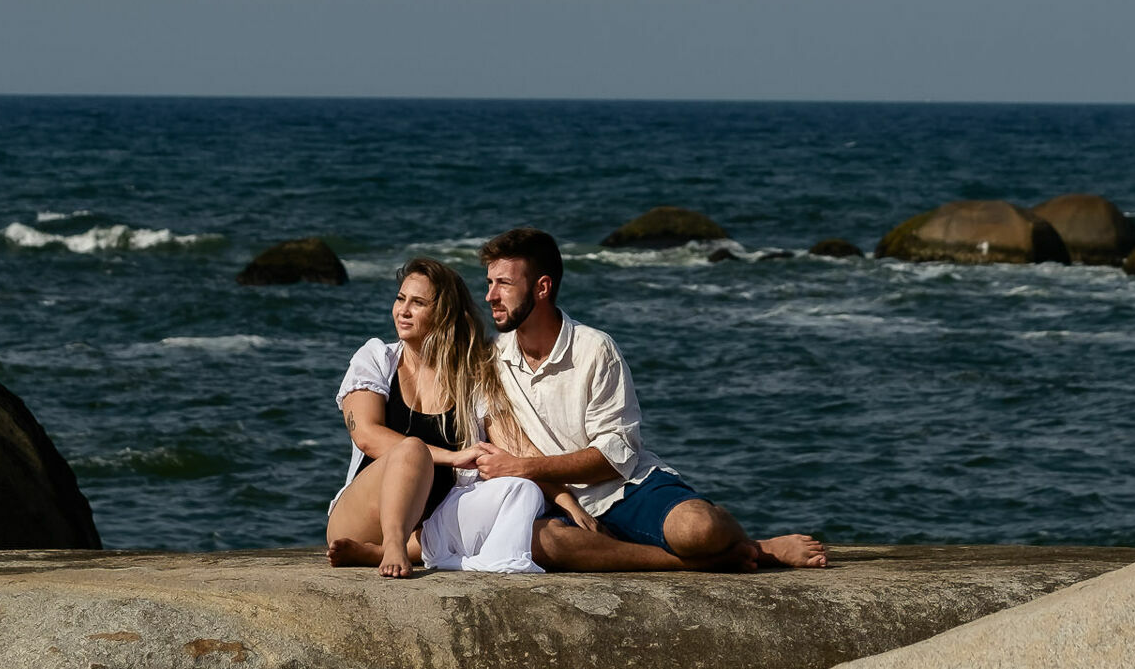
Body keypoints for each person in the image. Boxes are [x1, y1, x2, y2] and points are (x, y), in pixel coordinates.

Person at [470, 227, 828, 572]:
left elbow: (615, 458)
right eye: (489, 283)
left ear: (542, 287)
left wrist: (524, 468)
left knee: (699, 529)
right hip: (554, 501)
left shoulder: (594, 349)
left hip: (623, 488)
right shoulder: (491, 361)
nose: (490, 296)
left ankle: (755, 546)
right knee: (539, 544)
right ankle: (703, 564)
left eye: (503, 283)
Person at [325, 257, 594, 577]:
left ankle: (395, 551)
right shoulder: (376, 359)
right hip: (361, 517)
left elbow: (516, 453)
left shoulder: (472, 378)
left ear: (442, 314)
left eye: (418, 303)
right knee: (412, 449)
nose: (403, 311)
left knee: (520, 491)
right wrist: (454, 457)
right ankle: (393, 544)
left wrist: (567, 499)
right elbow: (366, 435)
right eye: (400, 299)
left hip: (431, 527)